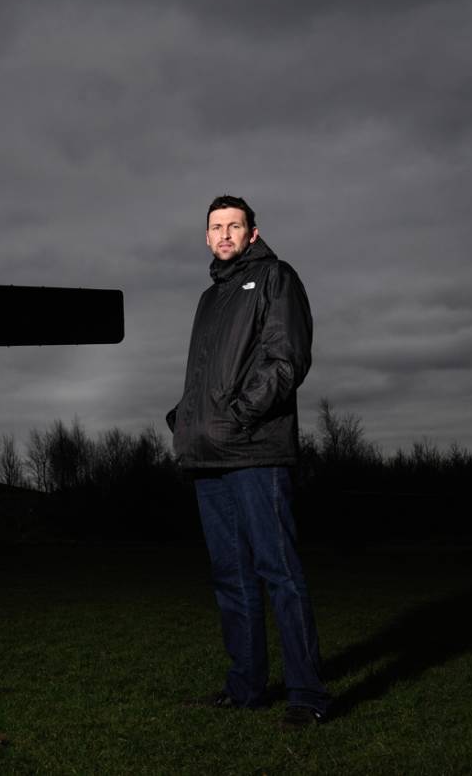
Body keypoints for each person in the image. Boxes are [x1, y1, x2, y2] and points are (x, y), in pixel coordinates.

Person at [167, 194, 331, 729]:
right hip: (209, 456)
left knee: (278, 572)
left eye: (235, 226)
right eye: (216, 227)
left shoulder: (277, 278)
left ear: (253, 233)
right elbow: (206, 376)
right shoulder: (208, 298)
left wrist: (238, 415)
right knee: (230, 577)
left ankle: (307, 695)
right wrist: (185, 417)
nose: (224, 234)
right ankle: (246, 688)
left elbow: (287, 360)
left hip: (256, 448)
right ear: (207, 236)